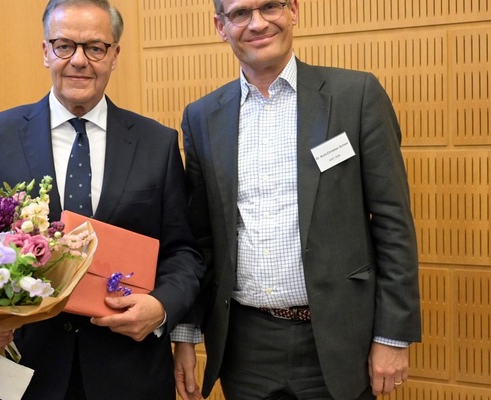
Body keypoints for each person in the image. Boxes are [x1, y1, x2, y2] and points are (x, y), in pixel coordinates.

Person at [171, 1, 422, 399]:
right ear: (220, 26)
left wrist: (392, 334)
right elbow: (200, 239)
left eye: (269, 6)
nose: (257, 24)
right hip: (245, 346)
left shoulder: (354, 96)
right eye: (239, 14)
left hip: (338, 341)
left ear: (293, 10)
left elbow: (394, 223)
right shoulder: (202, 117)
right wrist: (185, 333)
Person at [0, 0, 206, 399]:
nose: (79, 61)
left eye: (95, 47)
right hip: (25, 370)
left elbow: (183, 252)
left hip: (130, 372)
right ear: (45, 51)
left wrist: (161, 307)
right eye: (64, 46)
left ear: (114, 56)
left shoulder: (157, 143)